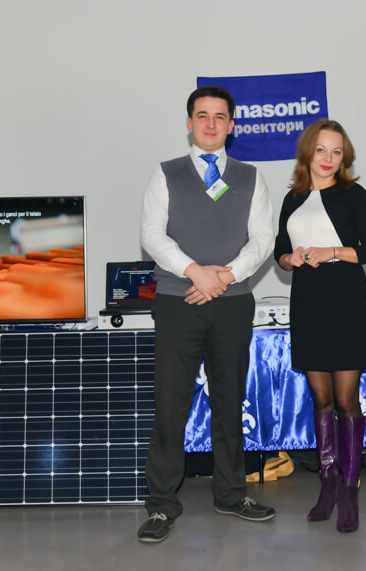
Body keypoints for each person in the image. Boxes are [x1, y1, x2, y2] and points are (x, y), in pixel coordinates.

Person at [137, 85, 276, 543]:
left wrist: (226, 276)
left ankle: (232, 494)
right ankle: (161, 505)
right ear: (190, 123)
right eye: (202, 116)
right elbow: (152, 235)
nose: (211, 124)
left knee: (229, 403)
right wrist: (196, 272)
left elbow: (263, 239)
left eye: (219, 117)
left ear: (231, 125)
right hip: (177, 303)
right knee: (170, 405)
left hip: (233, 304)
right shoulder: (166, 174)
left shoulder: (252, 177)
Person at [273, 119, 366, 533]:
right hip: (308, 306)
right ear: (308, 151)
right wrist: (290, 259)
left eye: (337, 152)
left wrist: (331, 251)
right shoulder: (293, 198)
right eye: (321, 150)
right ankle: (327, 486)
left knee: (345, 400)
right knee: (320, 399)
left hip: (347, 306)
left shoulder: (354, 195)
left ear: (344, 158)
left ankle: (350, 491)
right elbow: (280, 251)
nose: (328, 159)